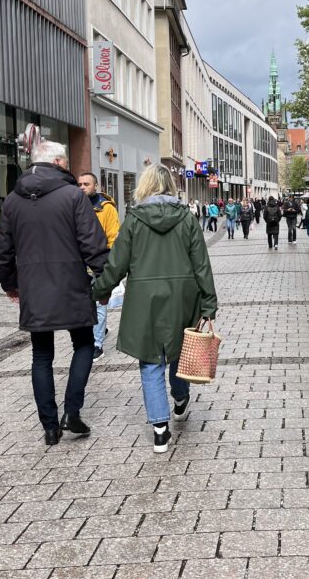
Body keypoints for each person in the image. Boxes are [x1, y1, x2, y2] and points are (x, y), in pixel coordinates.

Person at [91, 164, 217, 454]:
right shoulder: (187, 218)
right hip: (182, 297)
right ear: (171, 186)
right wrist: (208, 303)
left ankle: (160, 430)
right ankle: (181, 397)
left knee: (150, 360)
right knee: (178, 352)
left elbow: (117, 263)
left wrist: (100, 290)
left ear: (144, 186)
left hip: (144, 299)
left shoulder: (134, 220)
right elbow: (201, 265)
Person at [0, 141, 110, 445]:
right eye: (66, 161)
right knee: (84, 343)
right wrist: (104, 280)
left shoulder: (13, 201)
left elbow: (1, 250)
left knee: (41, 355)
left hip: (34, 288)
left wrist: (11, 285)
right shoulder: (73, 196)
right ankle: (72, 411)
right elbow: (93, 244)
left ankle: (49, 426)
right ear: (58, 163)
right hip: (71, 284)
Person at [77, 172, 121, 360]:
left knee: (98, 304)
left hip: (98, 263)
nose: (82, 187)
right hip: (78, 264)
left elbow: (113, 237)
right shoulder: (74, 205)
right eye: (79, 184)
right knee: (84, 304)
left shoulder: (106, 208)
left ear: (95, 186)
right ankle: (99, 330)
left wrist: (108, 262)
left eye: (86, 184)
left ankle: (97, 344)